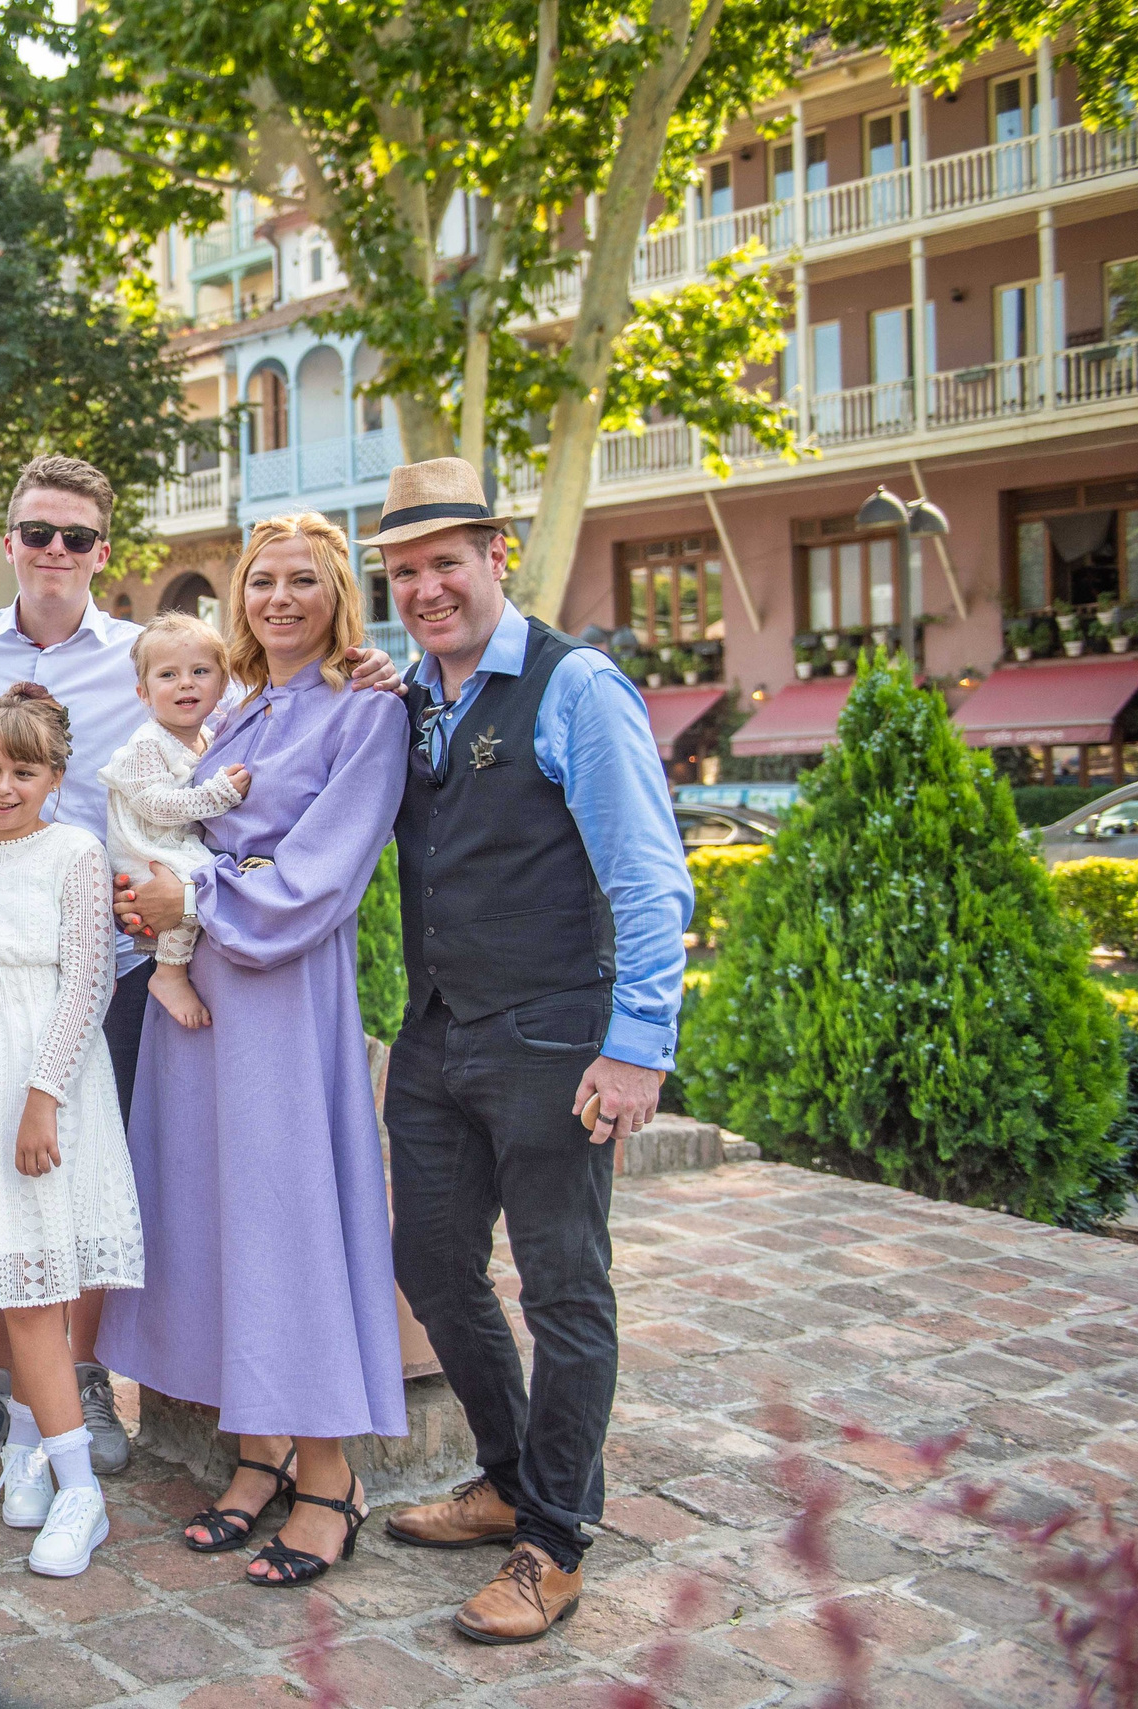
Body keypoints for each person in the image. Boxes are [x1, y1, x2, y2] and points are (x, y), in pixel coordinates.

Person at [0, 456, 407, 1478]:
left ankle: (91, 1380)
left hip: (135, 957)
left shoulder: (168, 656)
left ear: (102, 552)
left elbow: (297, 751)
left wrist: (387, 668)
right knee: (28, 1170)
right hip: (10, 962)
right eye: (39, 531)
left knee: (95, 1178)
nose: (56, 549)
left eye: (78, 536)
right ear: (8, 541)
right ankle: (13, 1383)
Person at [364, 458, 692, 1645]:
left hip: (554, 1034)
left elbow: (647, 877)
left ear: (496, 554)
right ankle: (506, 1476)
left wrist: (637, 1047)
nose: (425, 588)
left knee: (562, 1287)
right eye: (404, 571)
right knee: (429, 1260)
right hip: (439, 1031)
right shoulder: (408, 697)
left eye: (446, 562)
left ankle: (553, 1539)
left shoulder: (575, 685)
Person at [102, 512, 410, 1590]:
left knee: (287, 1217)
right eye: (262, 580)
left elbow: (322, 873)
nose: (279, 598)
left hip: (280, 983)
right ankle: (259, 1446)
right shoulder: (234, 705)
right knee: (217, 1212)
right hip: (198, 998)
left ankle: (330, 1475)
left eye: (302, 580)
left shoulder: (367, 709)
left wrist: (185, 897)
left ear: (338, 593)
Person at [0, 685, 144, 1578]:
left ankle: (81, 1491)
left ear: (55, 777)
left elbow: (90, 980)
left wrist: (43, 1094)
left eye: (24, 771)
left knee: (32, 1291)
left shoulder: (75, 851)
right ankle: (23, 1447)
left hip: (41, 1079)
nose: (3, 786)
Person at [99, 613, 249, 1031]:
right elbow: (156, 806)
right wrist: (217, 795)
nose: (186, 683)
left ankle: (173, 967)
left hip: (169, 845)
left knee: (207, 878)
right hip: (143, 851)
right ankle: (169, 973)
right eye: (168, 675)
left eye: (200, 671)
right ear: (143, 692)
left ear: (222, 684)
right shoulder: (147, 745)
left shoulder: (209, 738)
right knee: (200, 881)